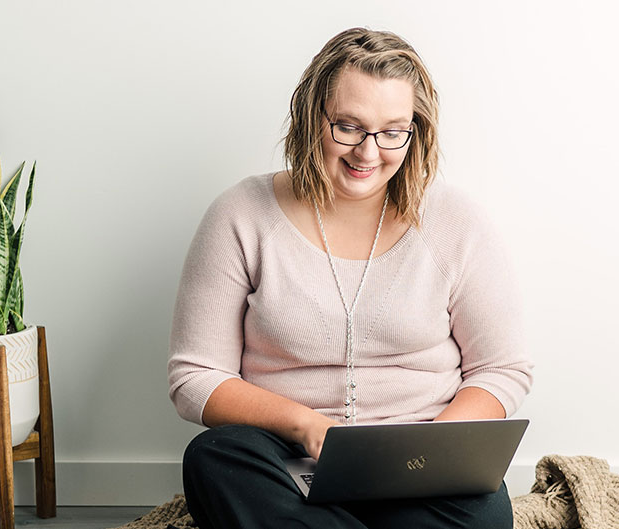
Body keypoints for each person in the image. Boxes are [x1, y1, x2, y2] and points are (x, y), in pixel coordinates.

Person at [167, 27, 533, 529]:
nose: (368, 152)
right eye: (348, 127)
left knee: (484, 509)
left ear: (415, 131)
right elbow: (194, 377)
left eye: (391, 132)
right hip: (287, 457)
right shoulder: (240, 215)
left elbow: (502, 369)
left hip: (420, 461)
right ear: (310, 116)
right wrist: (307, 425)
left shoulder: (457, 223)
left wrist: (427, 454)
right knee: (213, 458)